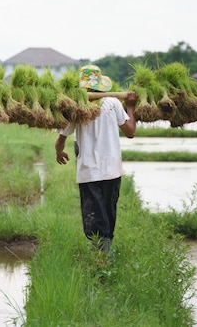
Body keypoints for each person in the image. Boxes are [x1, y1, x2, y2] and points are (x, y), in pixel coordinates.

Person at [55, 65, 136, 254]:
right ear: (101, 85)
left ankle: (101, 256)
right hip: (112, 171)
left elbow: (60, 140)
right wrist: (130, 107)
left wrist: (59, 152)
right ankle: (104, 254)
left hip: (89, 172)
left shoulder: (75, 108)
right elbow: (130, 132)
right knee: (108, 212)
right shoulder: (114, 104)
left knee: (94, 215)